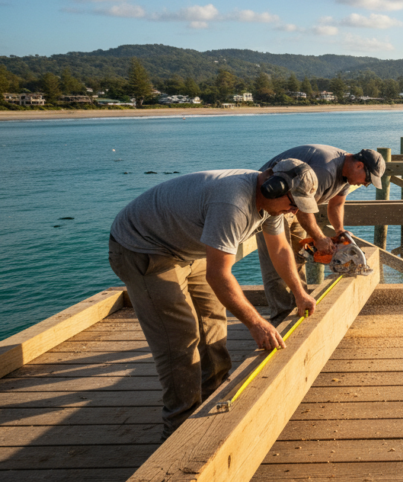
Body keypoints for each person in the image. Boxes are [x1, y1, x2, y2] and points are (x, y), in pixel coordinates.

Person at [107, 160, 318, 439]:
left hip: (185, 249)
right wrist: (256, 323)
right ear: (272, 186)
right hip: (142, 248)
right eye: (293, 203)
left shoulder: (273, 204)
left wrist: (300, 293)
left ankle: (214, 404)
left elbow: (279, 249)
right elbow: (219, 275)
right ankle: (178, 433)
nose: (294, 211)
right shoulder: (232, 204)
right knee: (179, 339)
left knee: (213, 321)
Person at [255, 146, 385, 323]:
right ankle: (281, 319)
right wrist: (319, 238)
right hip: (273, 203)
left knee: (298, 258)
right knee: (278, 264)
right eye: (368, 179)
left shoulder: (346, 176)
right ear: (359, 165)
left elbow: (336, 205)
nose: (365, 184)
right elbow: (302, 208)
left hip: (293, 207)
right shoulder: (325, 169)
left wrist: (340, 231)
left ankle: (298, 307)